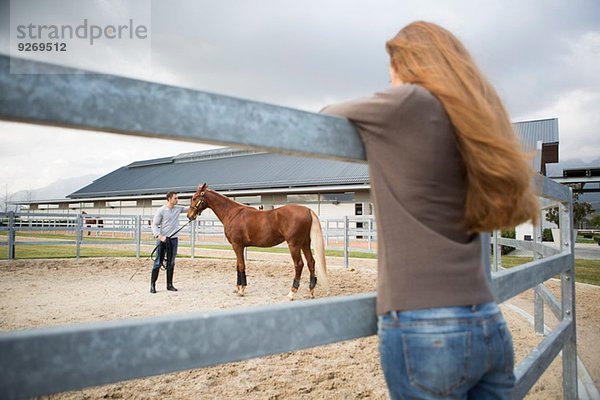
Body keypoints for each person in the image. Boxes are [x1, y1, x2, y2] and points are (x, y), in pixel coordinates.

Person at [321, 21, 539, 399]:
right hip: (487, 322)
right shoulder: (471, 120)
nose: (389, 78)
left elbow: (326, 114)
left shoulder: (409, 102)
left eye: (392, 66)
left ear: (408, 64)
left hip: (427, 327)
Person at [150, 191, 188, 294]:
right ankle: (153, 285)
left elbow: (191, 209)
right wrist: (159, 236)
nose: (177, 200)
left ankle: (169, 285)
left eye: (177, 198)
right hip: (162, 239)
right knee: (158, 262)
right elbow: (154, 224)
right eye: (175, 198)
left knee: (171, 262)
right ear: (169, 199)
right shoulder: (161, 210)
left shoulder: (178, 209)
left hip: (174, 239)